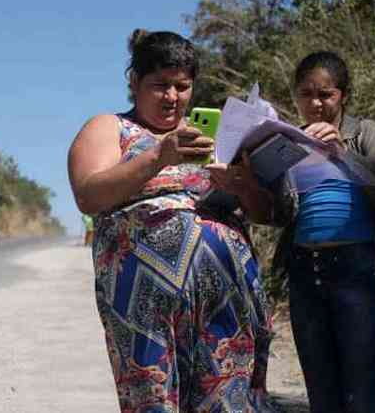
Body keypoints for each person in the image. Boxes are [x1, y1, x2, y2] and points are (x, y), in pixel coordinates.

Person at [68, 29, 275, 412]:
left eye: (182, 86)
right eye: (160, 85)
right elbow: (88, 194)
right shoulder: (109, 127)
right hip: (144, 305)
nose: (172, 97)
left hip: (227, 302)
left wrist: (244, 186)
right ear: (134, 82)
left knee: (229, 400)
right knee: (154, 399)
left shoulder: (217, 135)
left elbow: (265, 213)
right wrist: (158, 156)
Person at [209, 50, 375, 413]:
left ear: (343, 95)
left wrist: (343, 154)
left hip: (355, 268)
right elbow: (277, 215)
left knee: (362, 387)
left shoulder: (365, 134)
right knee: (321, 388)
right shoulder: (286, 142)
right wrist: (245, 182)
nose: (315, 103)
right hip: (304, 271)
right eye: (306, 94)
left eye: (326, 94)